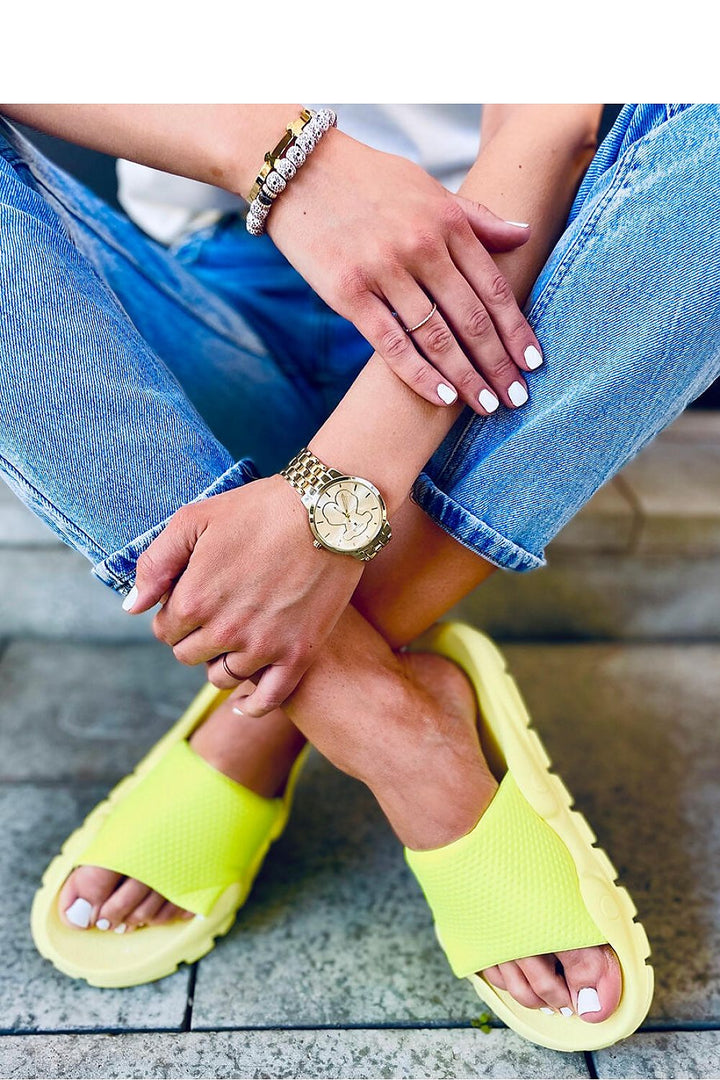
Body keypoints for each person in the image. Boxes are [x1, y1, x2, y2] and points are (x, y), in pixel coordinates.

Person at [1, 104, 718, 1052]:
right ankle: (391, 723)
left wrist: (330, 502)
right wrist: (294, 164)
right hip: (205, 305)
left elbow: (549, 130)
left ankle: (257, 727)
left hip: (514, 297)